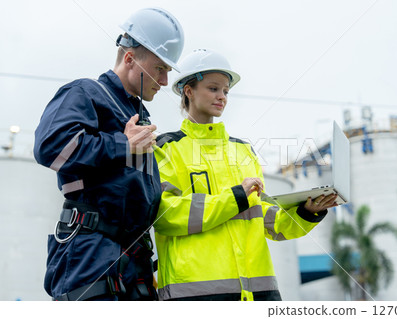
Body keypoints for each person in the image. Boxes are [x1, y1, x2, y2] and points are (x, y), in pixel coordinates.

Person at [153, 49, 337, 301]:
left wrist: (307, 212)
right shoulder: (166, 148)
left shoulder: (243, 150)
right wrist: (236, 196)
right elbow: (167, 215)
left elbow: (265, 220)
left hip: (259, 294)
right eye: (214, 88)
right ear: (189, 90)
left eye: (226, 91)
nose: (222, 97)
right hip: (197, 295)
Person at [33, 8, 184, 301]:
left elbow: (122, 184)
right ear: (130, 59)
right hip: (90, 255)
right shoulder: (86, 92)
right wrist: (121, 144)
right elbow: (49, 147)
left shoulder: (135, 115)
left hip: (132, 260)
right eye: (160, 68)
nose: (165, 81)